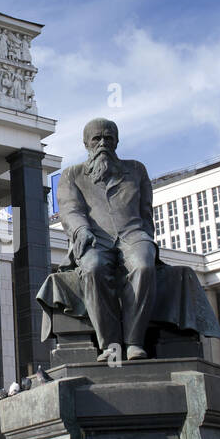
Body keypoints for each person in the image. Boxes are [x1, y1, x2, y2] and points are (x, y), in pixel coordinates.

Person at [55, 118, 156, 361]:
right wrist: (81, 231)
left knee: (143, 265)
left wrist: (147, 239)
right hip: (95, 239)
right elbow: (70, 210)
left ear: (117, 142)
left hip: (132, 235)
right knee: (93, 268)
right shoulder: (72, 175)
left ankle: (133, 342)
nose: (103, 143)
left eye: (108, 138)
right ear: (86, 144)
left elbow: (146, 210)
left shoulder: (136, 170)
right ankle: (111, 345)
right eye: (96, 139)